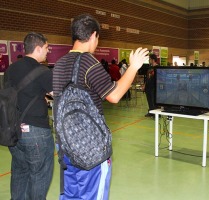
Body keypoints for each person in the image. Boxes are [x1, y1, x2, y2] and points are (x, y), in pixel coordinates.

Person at [53, 14, 148, 200]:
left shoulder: (59, 64)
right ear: (94, 35)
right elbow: (114, 95)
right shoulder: (90, 63)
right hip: (91, 149)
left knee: (70, 195)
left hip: (65, 145)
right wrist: (133, 67)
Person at [4, 32, 54, 200]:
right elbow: (57, 93)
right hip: (36, 133)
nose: (48, 51)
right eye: (47, 48)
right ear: (38, 48)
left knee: (19, 171)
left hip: (13, 131)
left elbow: (17, 95)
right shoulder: (42, 71)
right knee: (39, 175)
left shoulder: (11, 69)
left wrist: (40, 96)